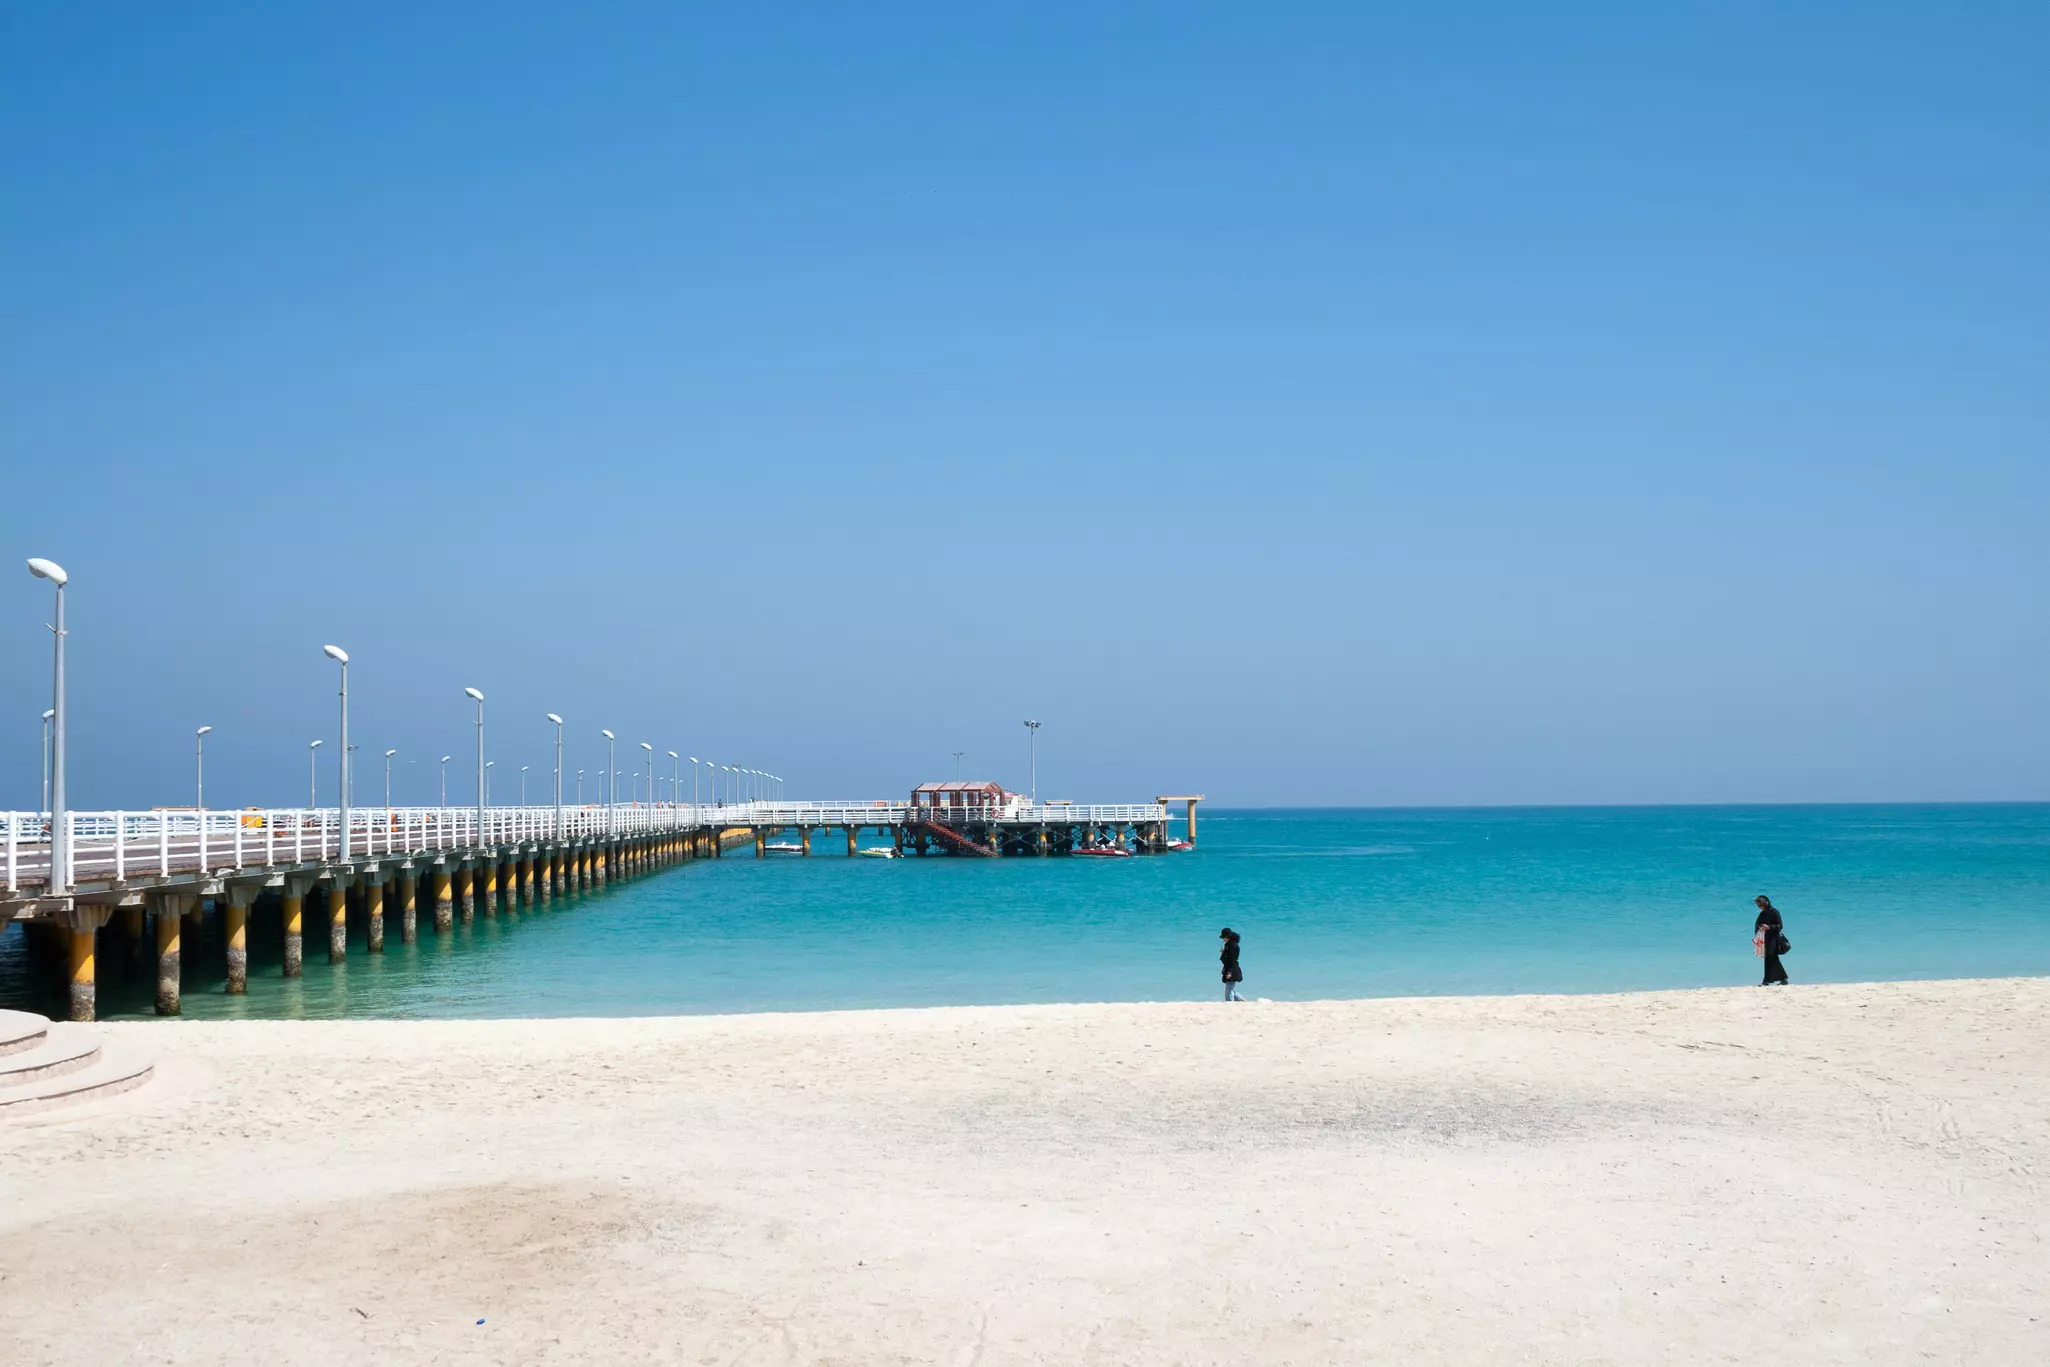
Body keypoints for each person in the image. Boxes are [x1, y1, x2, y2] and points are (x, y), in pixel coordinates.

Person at [1753, 895, 1789, 986]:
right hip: (1764, 939)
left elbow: (1780, 926)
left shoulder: (1774, 912)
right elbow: (1757, 925)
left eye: (1761, 905)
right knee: (1769, 958)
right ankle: (1776, 979)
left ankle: (1770, 980)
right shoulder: (1762, 914)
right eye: (1758, 905)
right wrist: (1759, 930)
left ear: (1766, 903)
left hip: (1774, 938)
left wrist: (1769, 927)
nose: (1760, 907)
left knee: (1772, 957)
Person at [1219, 927, 1244, 1001]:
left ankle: (1230, 1005)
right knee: (1230, 989)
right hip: (1231, 969)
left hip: (1232, 970)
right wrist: (1224, 953)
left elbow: (1232, 960)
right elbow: (1228, 958)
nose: (1223, 939)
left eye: (1224, 937)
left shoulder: (1233, 946)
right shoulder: (1228, 945)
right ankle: (1241, 1000)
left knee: (1228, 990)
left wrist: (1230, 972)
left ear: (1227, 937)